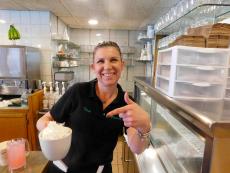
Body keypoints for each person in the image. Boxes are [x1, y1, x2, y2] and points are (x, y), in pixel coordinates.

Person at [37, 41, 151, 173]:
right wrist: (51, 130)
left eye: (113, 60)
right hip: (61, 169)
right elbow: (43, 120)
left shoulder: (126, 103)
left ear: (122, 64)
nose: (107, 66)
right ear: (93, 67)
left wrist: (144, 127)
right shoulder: (78, 92)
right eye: (100, 61)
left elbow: (137, 148)